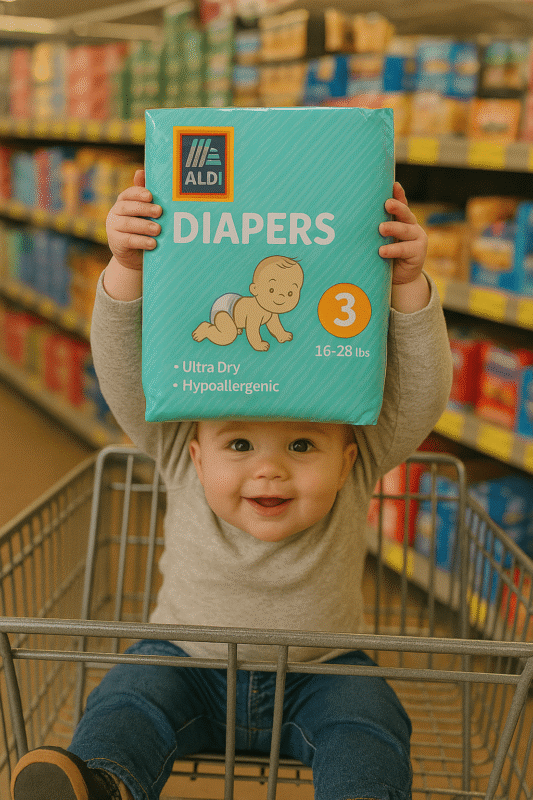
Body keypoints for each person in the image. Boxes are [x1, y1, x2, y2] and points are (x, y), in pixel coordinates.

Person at [11, 171, 452, 800]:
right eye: (238, 445)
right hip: (183, 660)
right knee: (129, 698)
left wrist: (407, 287)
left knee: (370, 724)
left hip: (322, 670)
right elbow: (120, 369)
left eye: (303, 446)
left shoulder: (360, 464)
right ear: (192, 451)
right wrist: (124, 268)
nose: (268, 470)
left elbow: (422, 394)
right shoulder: (173, 446)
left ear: (351, 454)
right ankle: (103, 784)